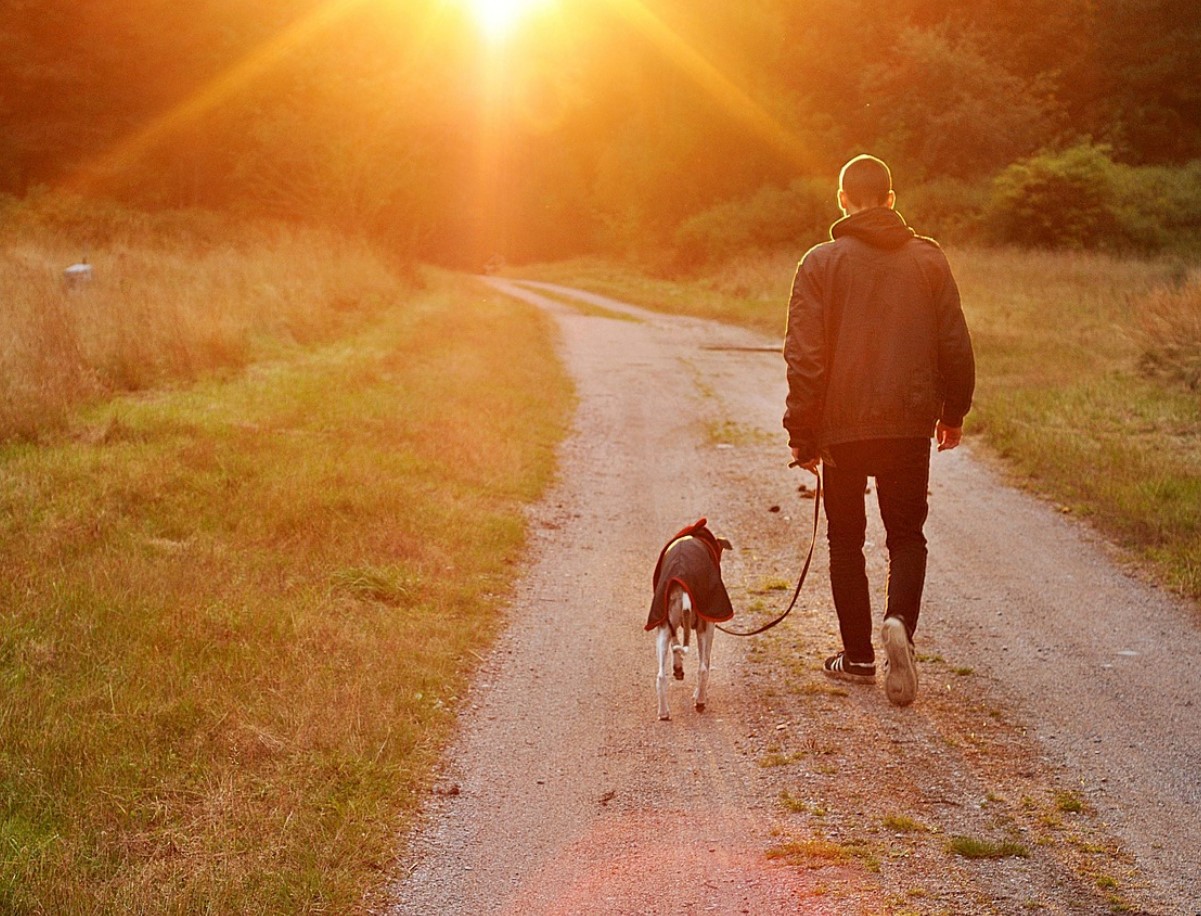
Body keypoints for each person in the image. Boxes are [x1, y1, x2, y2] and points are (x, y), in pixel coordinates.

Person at [782, 154, 975, 707]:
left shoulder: (819, 263)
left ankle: (859, 657)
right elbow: (954, 343)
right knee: (907, 535)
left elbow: (805, 356)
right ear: (891, 200)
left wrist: (803, 431)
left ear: (842, 199)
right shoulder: (929, 260)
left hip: (841, 429)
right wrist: (952, 413)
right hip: (910, 423)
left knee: (846, 541)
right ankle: (899, 627)